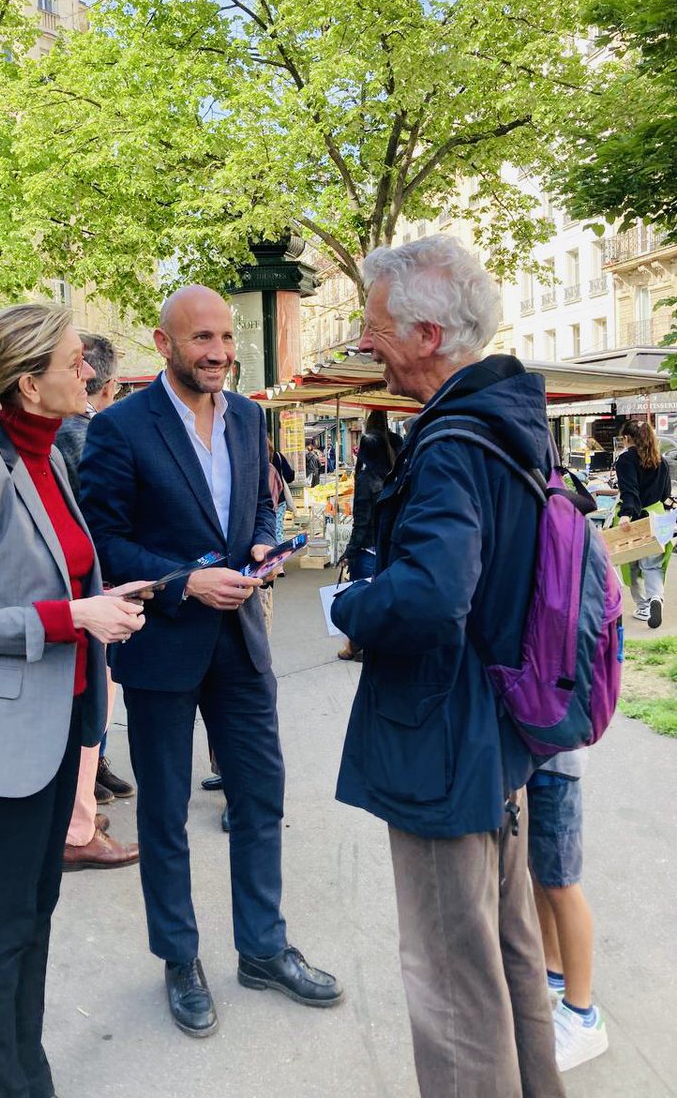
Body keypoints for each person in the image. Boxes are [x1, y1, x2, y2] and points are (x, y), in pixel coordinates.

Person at [331, 236, 564, 1097]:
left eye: (376, 323)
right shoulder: (505, 424)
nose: (365, 340)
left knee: (451, 986)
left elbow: (431, 596)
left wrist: (347, 606)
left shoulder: (454, 443)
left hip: (441, 739)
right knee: (505, 959)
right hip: (494, 736)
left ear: (428, 335)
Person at [80, 284, 342, 1038]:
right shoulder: (119, 429)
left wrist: (263, 541)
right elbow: (104, 543)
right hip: (163, 644)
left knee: (260, 797)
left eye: (226, 338)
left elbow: (258, 506)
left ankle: (262, 949)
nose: (221, 352)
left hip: (241, 645)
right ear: (164, 344)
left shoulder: (252, 417)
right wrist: (180, 581)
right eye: (202, 339)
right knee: (164, 815)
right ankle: (179, 958)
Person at [0, 303, 149, 1098]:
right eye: (72, 358)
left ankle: (28, 1076)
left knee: (36, 915)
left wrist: (105, 598)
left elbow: (59, 571)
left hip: (63, 725)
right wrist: (71, 617)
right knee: (2, 927)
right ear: (29, 381)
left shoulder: (54, 459)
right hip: (3, 740)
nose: (88, 369)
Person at [54, 332, 139, 871]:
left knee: (86, 709)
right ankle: (76, 826)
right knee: (90, 709)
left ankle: (77, 811)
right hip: (85, 597)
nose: (84, 379)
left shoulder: (56, 436)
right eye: (74, 367)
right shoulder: (84, 433)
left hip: (80, 596)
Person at [527, 749, 609, 1071]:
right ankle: (554, 971)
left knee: (563, 885)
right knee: (543, 875)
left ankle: (582, 1015)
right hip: (537, 761)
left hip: (555, 767)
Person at [336, 409, 403, 661]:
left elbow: (361, 523)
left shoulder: (366, 480)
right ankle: (358, 645)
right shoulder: (395, 474)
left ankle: (360, 645)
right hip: (390, 546)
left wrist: (348, 552)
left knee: (364, 600)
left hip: (368, 550)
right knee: (383, 599)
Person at [615, 418, 672, 628]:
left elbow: (630, 492)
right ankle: (656, 598)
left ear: (627, 438)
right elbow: (666, 494)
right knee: (653, 566)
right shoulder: (661, 461)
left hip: (635, 520)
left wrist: (626, 514)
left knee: (632, 565)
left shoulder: (625, 460)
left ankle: (643, 607)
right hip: (657, 517)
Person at [270, 436, 295, 542]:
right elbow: (290, 476)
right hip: (279, 500)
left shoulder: (255, 457)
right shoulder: (278, 456)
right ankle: (278, 556)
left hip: (261, 503)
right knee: (278, 531)